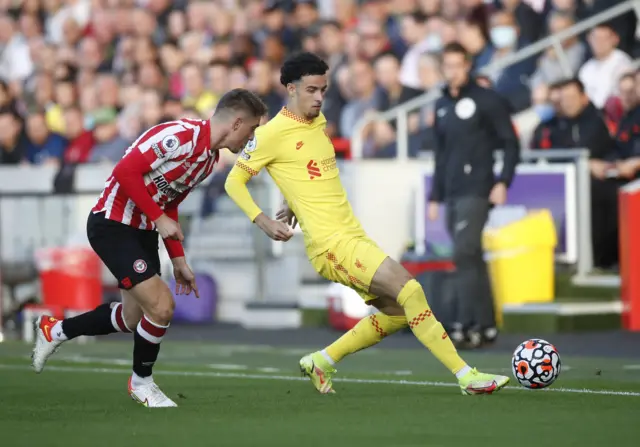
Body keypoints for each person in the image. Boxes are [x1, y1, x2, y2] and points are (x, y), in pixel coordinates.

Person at [224, 52, 509, 396]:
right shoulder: (271, 134)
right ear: (290, 89)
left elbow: (300, 168)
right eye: (312, 90)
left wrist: (291, 199)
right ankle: (466, 376)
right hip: (331, 246)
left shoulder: (316, 121)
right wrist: (264, 220)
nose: (318, 98)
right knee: (412, 290)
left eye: (323, 90)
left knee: (397, 313)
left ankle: (323, 360)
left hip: (352, 234)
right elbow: (233, 182)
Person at [31, 89, 268, 408]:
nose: (251, 138)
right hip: (112, 224)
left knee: (132, 319)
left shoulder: (208, 161)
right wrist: (157, 217)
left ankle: (54, 330)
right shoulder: (179, 136)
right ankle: (142, 383)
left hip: (142, 232)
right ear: (237, 122)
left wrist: (179, 259)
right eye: (252, 129)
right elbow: (124, 172)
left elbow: (168, 205)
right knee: (161, 306)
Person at [428, 43, 520, 349]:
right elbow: (440, 155)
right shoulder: (441, 104)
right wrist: (434, 195)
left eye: (458, 65)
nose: (452, 71)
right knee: (472, 258)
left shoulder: (486, 100)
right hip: (453, 191)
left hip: (478, 187)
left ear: (467, 66)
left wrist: (503, 180)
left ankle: (463, 324)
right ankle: (486, 325)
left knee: (463, 254)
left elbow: (510, 142)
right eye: (448, 65)